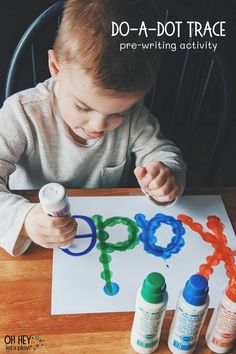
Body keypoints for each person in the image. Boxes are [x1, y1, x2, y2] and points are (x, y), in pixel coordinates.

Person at [0, 0, 186, 256]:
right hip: (37, 240)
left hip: (105, 234)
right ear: (56, 68)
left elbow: (162, 152)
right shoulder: (22, 113)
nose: (99, 125)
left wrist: (166, 175)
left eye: (119, 113)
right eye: (83, 107)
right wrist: (24, 218)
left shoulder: (135, 117)